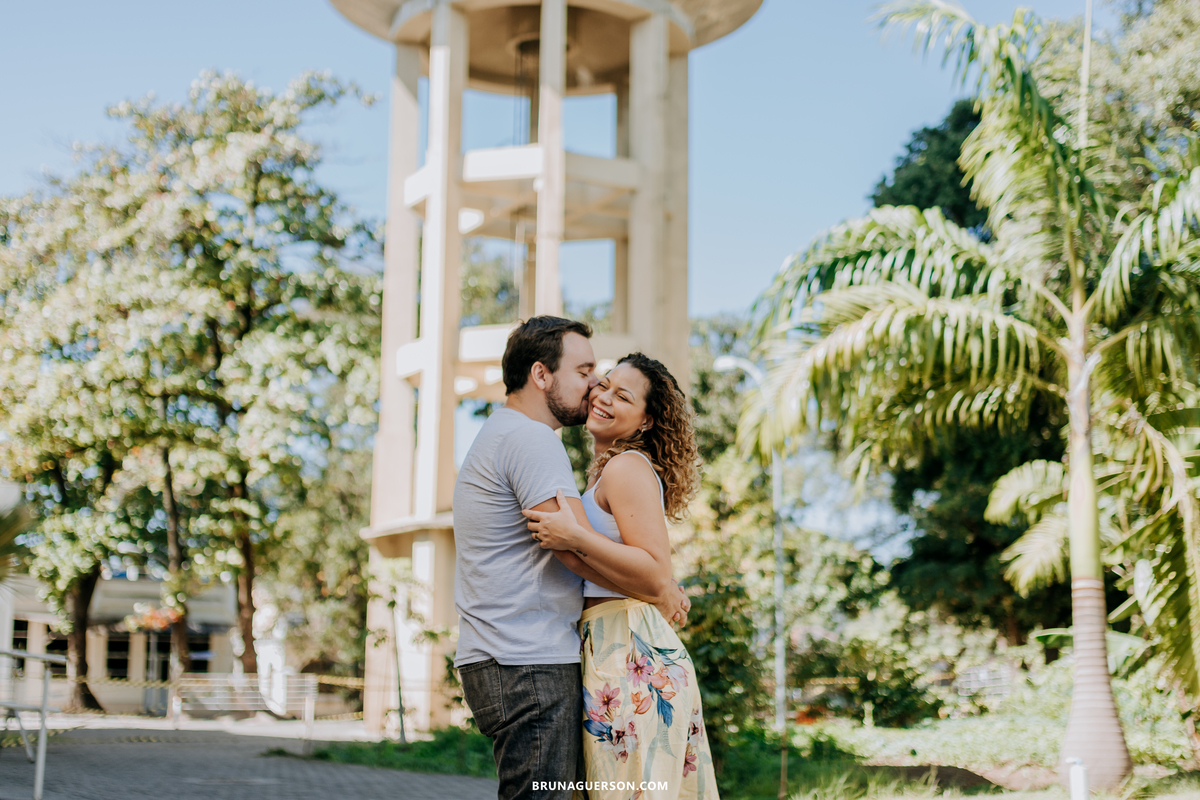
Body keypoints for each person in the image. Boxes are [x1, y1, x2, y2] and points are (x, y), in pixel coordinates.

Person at [454, 318, 691, 800]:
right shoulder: (533, 440)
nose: (594, 389)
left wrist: (656, 582)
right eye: (587, 373)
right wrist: (661, 586)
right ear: (542, 375)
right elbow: (572, 550)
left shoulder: (511, 435)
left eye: (611, 387)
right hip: (528, 662)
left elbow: (577, 545)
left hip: (524, 658)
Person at [523, 353, 720, 800]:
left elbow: (654, 573)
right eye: (605, 384)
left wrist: (575, 535)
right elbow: (622, 572)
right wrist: (575, 544)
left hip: (630, 647)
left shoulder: (627, 467)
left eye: (623, 396)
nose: (604, 397)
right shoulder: (604, 473)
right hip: (611, 642)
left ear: (646, 420)